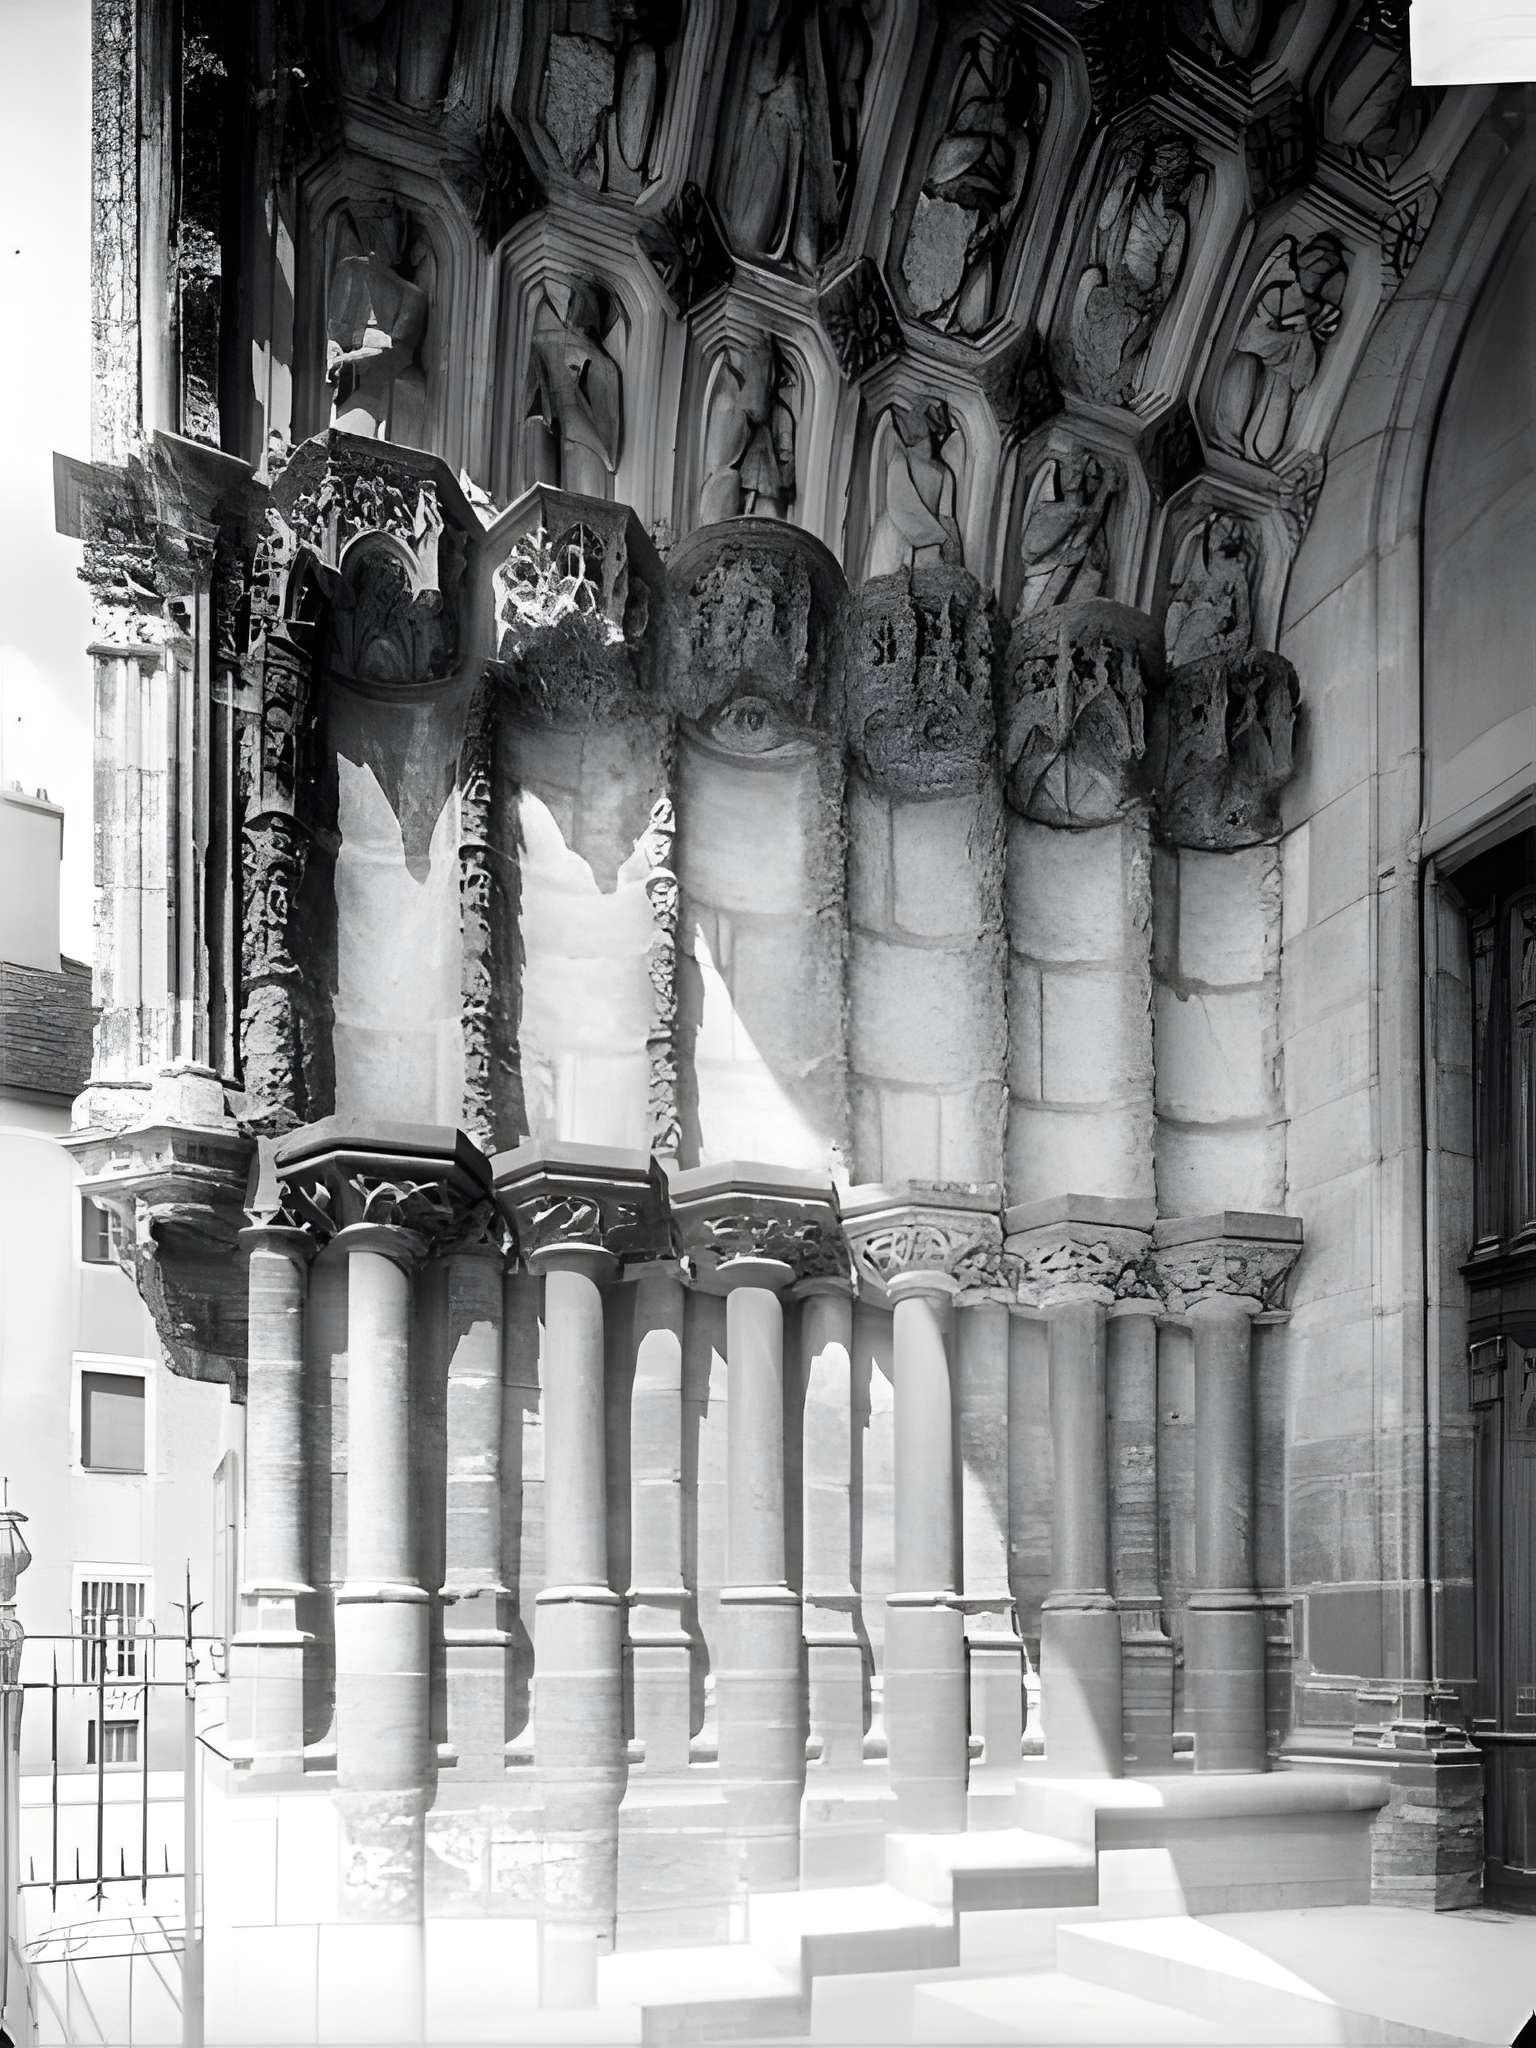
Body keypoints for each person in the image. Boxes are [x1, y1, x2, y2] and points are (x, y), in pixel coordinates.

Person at [1215, 234, 1347, 465]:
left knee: (1263, 449)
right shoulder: (1276, 293)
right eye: (1312, 267)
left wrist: (1302, 332)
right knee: (1246, 364)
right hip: (1253, 365)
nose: (1314, 278)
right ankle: (1226, 441)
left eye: (1322, 272)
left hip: (1281, 379)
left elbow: (1301, 379)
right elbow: (1248, 341)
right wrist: (1286, 337)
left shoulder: (1324, 315)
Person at [325, 206, 429, 445]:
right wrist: (337, 351)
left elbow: (396, 349)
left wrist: (348, 358)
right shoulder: (352, 272)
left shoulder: (413, 297)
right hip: (359, 387)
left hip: (383, 387)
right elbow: (339, 333)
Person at [523, 279, 624, 497]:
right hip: (567, 437)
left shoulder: (603, 364)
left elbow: (607, 417)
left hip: (584, 444)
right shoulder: (552, 343)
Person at [866, 399, 963, 578]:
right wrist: (937, 537)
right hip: (898, 538)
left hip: (926, 548)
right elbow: (900, 505)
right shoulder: (900, 458)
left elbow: (946, 517)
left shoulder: (944, 472)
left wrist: (951, 554)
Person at [1014, 447, 1111, 618]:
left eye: (1081, 472)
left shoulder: (1079, 511)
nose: (1077, 477)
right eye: (1072, 470)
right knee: (1029, 617)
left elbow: (1091, 522)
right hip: (1039, 583)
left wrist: (1104, 490)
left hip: (1060, 587)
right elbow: (1030, 551)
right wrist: (1066, 557)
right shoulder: (1053, 509)